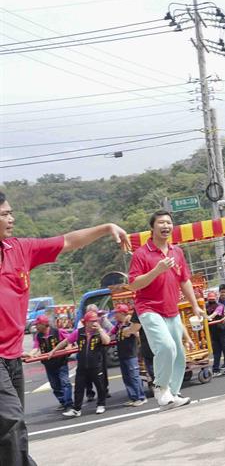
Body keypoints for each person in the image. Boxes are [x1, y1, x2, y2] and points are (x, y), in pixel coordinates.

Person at [0, 190, 129, 466]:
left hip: (11, 357)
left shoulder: (19, 249)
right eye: (5, 214)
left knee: (10, 427)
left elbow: (68, 241)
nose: (11, 219)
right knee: (11, 421)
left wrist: (106, 228)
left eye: (11, 213)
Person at [127, 210, 205, 409]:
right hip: (149, 308)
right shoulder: (141, 254)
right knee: (166, 347)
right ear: (152, 228)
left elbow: (184, 280)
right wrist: (157, 270)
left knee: (178, 355)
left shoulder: (176, 251)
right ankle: (160, 387)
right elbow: (134, 284)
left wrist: (195, 305)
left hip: (172, 309)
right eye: (161, 223)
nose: (166, 226)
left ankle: (173, 393)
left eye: (169, 223)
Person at [52, 311, 111, 417]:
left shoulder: (100, 331)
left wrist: (100, 330)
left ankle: (101, 404)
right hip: (82, 365)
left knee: (100, 386)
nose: (95, 323)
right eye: (92, 321)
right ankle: (76, 409)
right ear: (86, 322)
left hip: (96, 365)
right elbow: (66, 341)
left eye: (96, 320)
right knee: (78, 388)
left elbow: (107, 341)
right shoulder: (79, 332)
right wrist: (53, 351)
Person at [23, 315, 72, 412]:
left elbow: (70, 339)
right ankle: (63, 402)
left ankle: (69, 404)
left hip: (61, 362)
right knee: (54, 385)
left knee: (65, 383)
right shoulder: (38, 336)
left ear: (44, 324)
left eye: (37, 325)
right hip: (48, 364)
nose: (36, 327)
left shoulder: (58, 332)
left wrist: (69, 346)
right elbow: (36, 348)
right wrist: (30, 355)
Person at [110, 304, 147, 407]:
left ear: (122, 313)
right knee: (127, 377)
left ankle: (141, 397)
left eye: (116, 313)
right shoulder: (119, 325)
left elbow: (137, 335)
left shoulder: (130, 323)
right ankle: (133, 397)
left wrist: (140, 348)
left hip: (131, 354)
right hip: (123, 354)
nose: (115, 315)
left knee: (134, 376)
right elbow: (110, 333)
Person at [206, 291, 225, 377]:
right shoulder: (206, 306)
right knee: (216, 351)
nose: (211, 301)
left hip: (222, 330)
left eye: (213, 299)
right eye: (210, 299)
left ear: (216, 298)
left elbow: (213, 315)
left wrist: (206, 318)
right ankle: (215, 369)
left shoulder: (220, 306)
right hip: (213, 332)